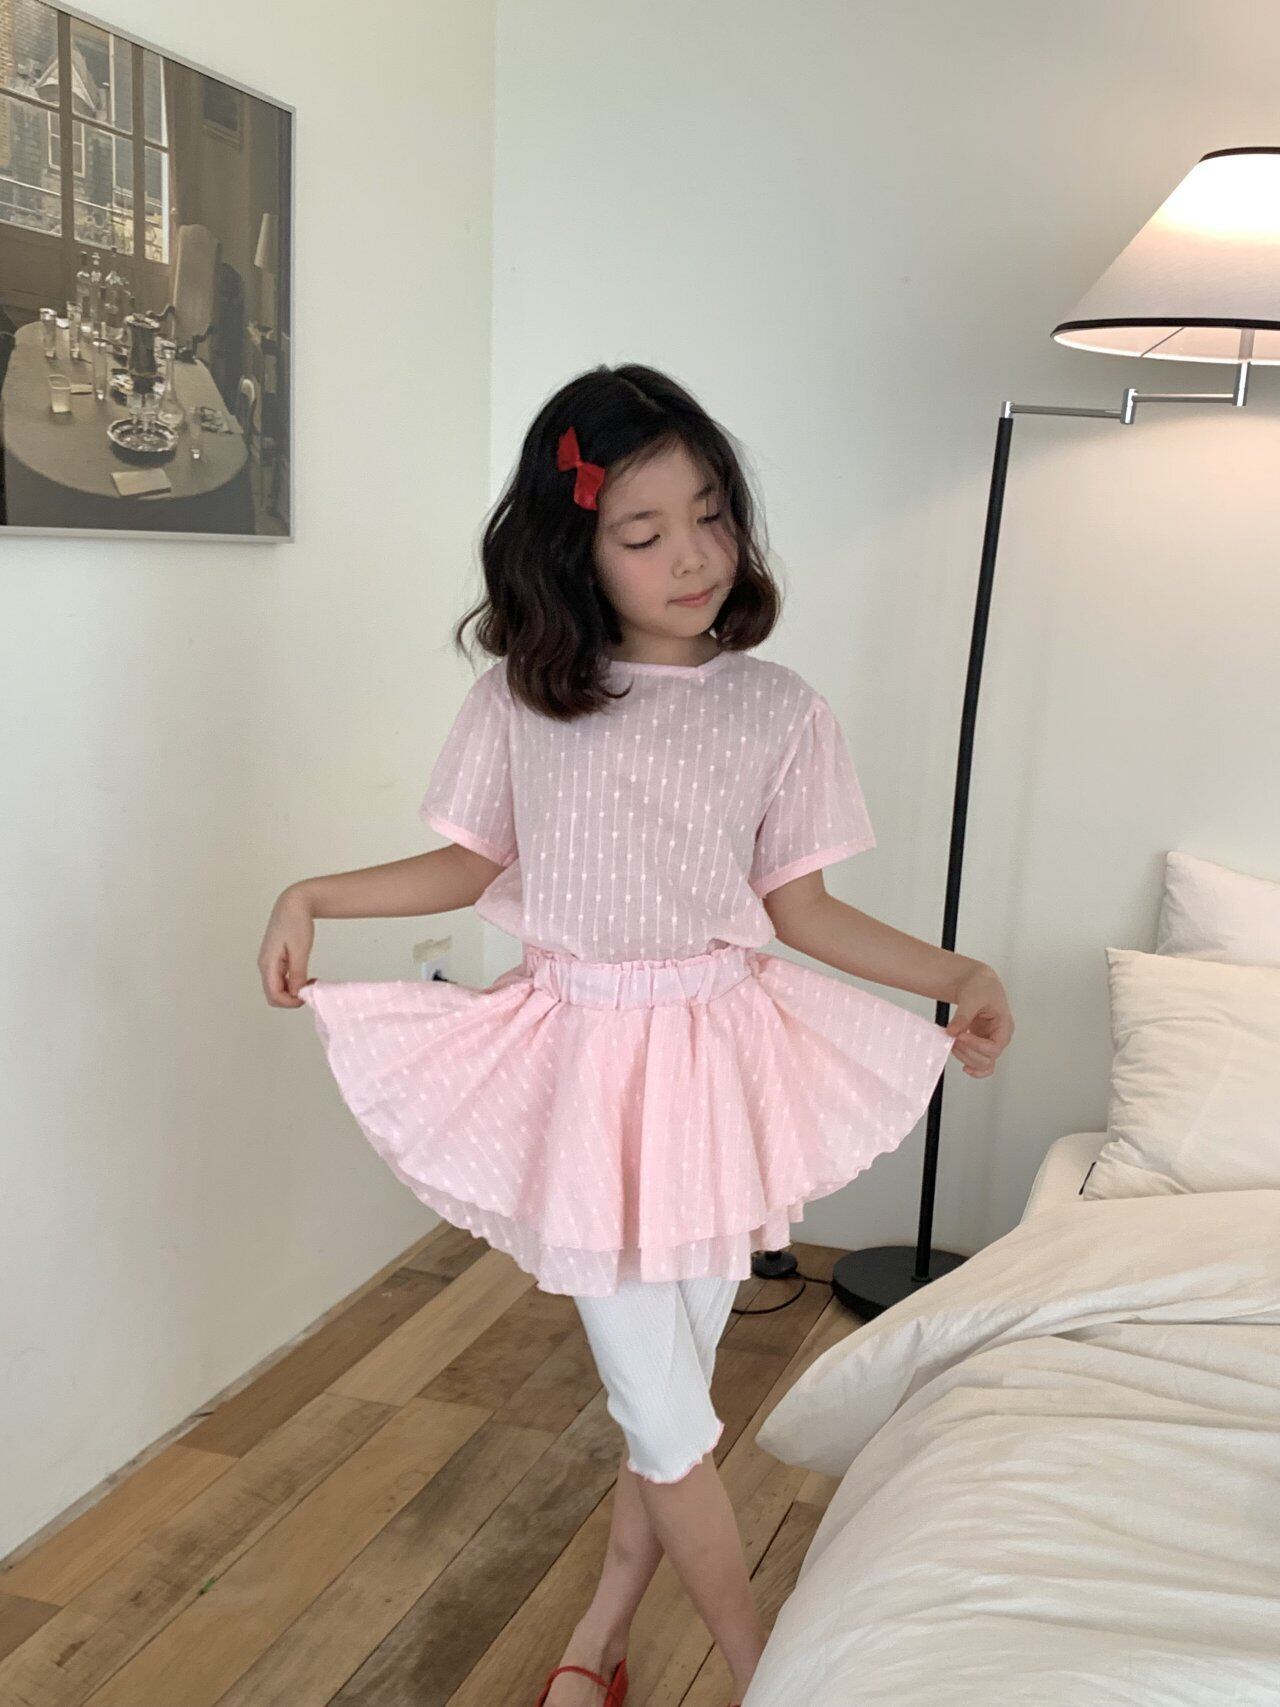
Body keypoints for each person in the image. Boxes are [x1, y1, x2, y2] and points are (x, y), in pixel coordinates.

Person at [258, 363, 1014, 1707]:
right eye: (644, 531)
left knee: (668, 1397)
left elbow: (802, 910)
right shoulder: (520, 704)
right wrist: (315, 895)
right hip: (581, 1071)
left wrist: (956, 974)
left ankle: (596, 1641)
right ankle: (765, 1674)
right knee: (666, 1421)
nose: (694, 556)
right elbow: (468, 867)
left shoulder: (778, 709)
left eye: (711, 514)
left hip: (719, 1072)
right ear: (576, 549)